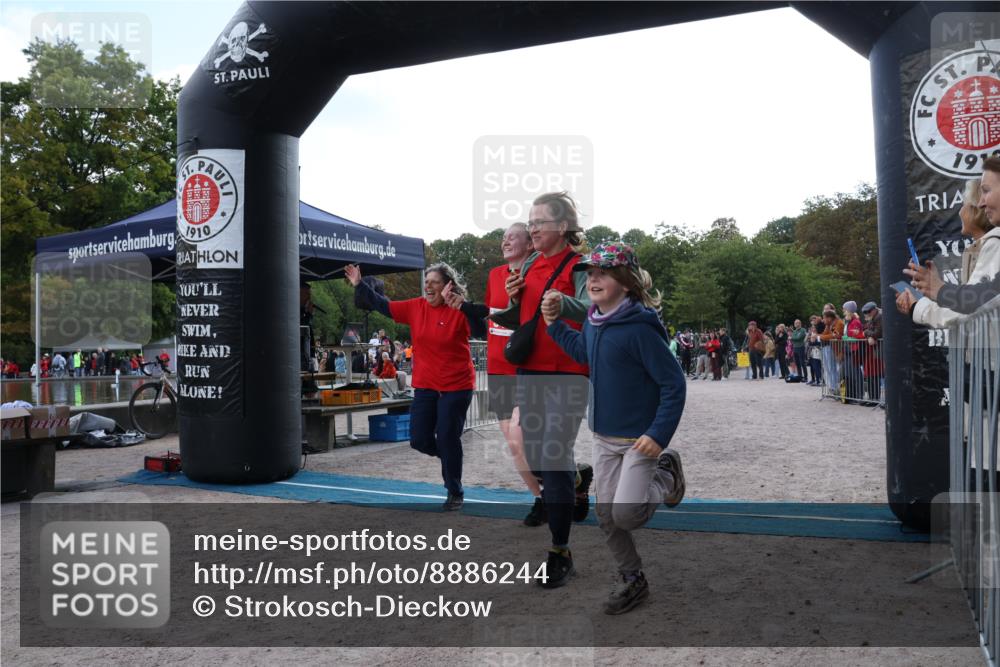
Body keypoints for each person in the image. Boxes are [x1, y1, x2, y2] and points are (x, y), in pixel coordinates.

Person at [543, 242, 686, 613]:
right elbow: (583, 355)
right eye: (590, 273)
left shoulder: (640, 329)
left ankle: (668, 473)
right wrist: (553, 325)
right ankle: (632, 578)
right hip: (604, 437)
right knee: (606, 516)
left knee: (627, 514)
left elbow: (674, 384)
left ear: (625, 281)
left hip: (640, 440)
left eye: (603, 272)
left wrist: (657, 435)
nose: (593, 278)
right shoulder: (594, 320)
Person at [487, 190, 593, 588]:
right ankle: (576, 480)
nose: (531, 228)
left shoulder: (580, 265)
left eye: (538, 222)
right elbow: (522, 318)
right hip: (529, 370)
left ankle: (559, 551)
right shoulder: (530, 263)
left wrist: (563, 303)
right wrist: (514, 301)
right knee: (533, 457)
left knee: (554, 452)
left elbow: (595, 307)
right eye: (529, 222)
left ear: (561, 227)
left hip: (568, 370)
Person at [345, 262, 483, 512]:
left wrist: (464, 306)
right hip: (426, 385)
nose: (428, 286)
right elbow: (382, 304)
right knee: (419, 439)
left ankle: (454, 490)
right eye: (426, 281)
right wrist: (359, 284)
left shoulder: (458, 310)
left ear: (447, 286)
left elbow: (482, 329)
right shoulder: (415, 307)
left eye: (434, 282)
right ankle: (449, 456)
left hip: (456, 385)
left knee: (448, 436)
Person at [450, 222, 546, 526]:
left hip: (526, 368)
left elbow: (518, 319)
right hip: (497, 368)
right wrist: (463, 309)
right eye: (503, 238)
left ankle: (556, 489)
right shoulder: (494, 275)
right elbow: (488, 322)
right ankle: (543, 497)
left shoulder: (537, 274)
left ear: (529, 244)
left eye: (512, 237)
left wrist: (473, 308)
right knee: (514, 442)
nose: (505, 241)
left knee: (526, 440)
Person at [897, 173, 1000, 329]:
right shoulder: (981, 248)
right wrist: (932, 291)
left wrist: (917, 306)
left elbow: (968, 310)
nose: (960, 212)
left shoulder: (995, 244)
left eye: (964, 204)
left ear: (976, 210)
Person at [842, 301, 865, 403]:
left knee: (855, 373)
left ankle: (859, 396)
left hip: (854, 350)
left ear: (849, 310)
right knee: (848, 373)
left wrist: (847, 338)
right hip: (848, 349)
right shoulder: (849, 321)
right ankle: (852, 395)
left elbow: (858, 335)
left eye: (845, 309)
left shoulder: (855, 322)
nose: (843, 311)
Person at [860, 302, 883, 402]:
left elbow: (877, 333)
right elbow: (870, 331)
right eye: (865, 312)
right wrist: (868, 334)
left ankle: (875, 398)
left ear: (874, 310)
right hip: (873, 350)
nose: (867, 314)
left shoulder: (879, 317)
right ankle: (872, 398)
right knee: (871, 375)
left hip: (878, 349)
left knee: (875, 375)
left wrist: (866, 333)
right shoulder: (874, 318)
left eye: (868, 312)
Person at [819, 309, 844, 394]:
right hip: (836, 350)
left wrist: (820, 337)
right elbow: (825, 334)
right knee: (833, 369)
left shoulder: (839, 323)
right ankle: (834, 389)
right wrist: (820, 336)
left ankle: (838, 389)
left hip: (841, 350)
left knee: (838, 370)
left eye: (824, 318)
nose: (823, 320)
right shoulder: (829, 324)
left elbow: (835, 336)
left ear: (829, 318)